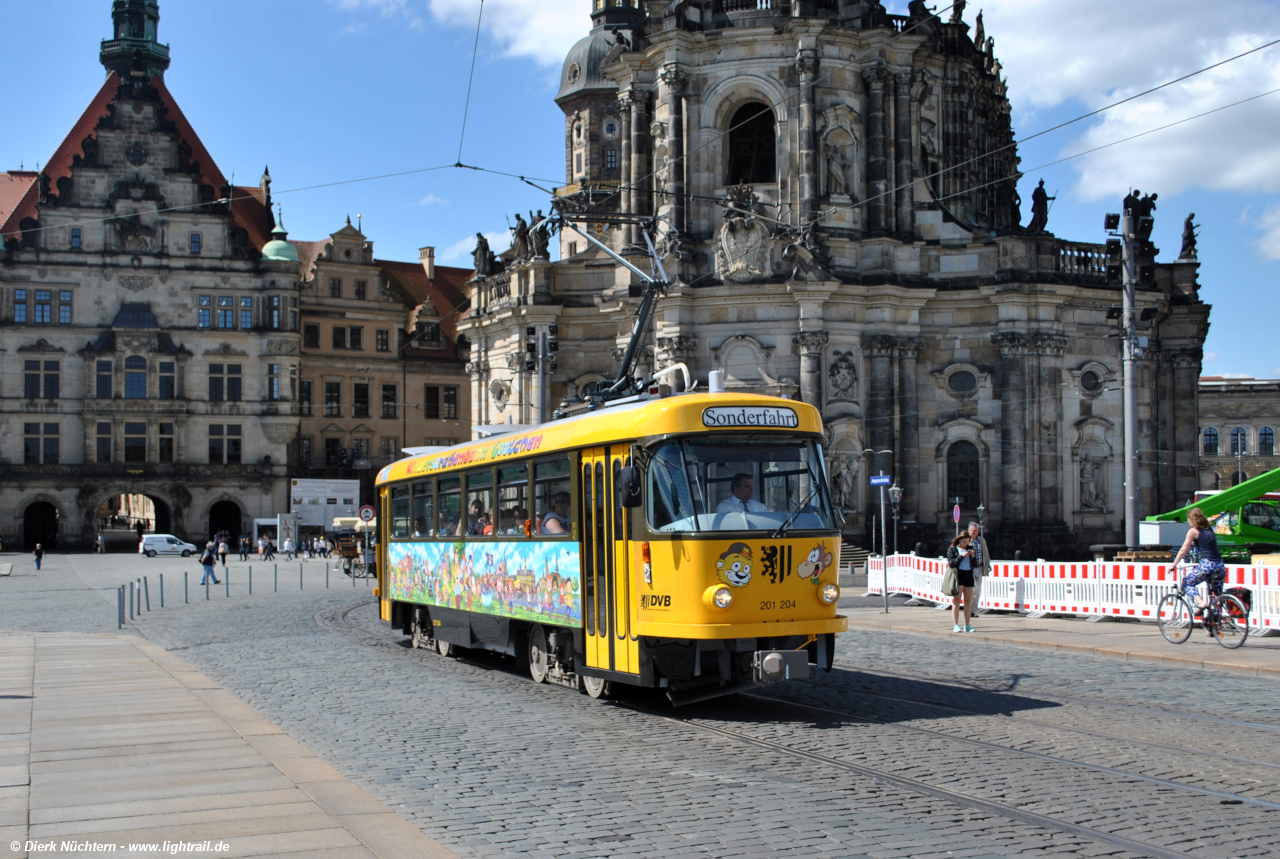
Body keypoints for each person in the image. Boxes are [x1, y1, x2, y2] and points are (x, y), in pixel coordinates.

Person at [1171, 507, 1226, 620]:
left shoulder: (1193, 532)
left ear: (1192, 520)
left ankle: (1200, 603)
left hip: (1207, 564)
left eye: (1188, 520)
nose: (1188, 522)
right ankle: (1213, 625)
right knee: (1216, 595)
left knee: (1187, 583)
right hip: (1220, 565)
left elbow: (1183, 550)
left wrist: (1174, 564)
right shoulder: (1209, 529)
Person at [945, 533, 977, 632]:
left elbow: (974, 564)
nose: (965, 544)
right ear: (959, 540)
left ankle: (967, 624)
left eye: (967, 542)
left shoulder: (969, 548)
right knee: (957, 600)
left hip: (968, 575)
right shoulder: (953, 549)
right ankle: (956, 624)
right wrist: (962, 556)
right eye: (964, 541)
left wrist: (973, 556)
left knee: (968, 601)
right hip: (958, 575)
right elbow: (952, 563)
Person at [966, 520, 991, 623]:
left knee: (978, 591)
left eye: (976, 530)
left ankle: (973, 610)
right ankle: (968, 610)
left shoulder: (981, 540)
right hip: (970, 568)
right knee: (973, 588)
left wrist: (987, 564)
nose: (975, 532)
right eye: (973, 530)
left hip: (980, 568)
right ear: (969, 531)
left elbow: (985, 552)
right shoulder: (966, 540)